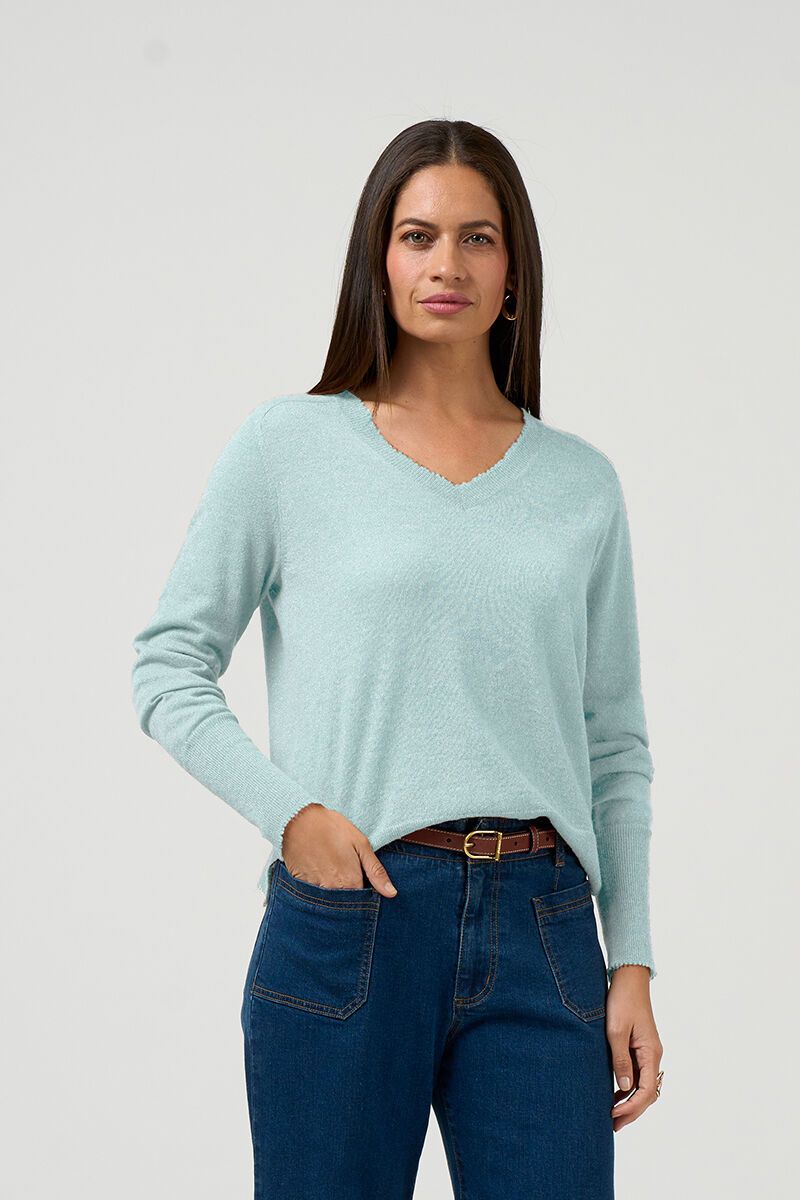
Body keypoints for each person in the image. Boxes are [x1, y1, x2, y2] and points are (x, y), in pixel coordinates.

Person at [131, 118, 664, 1199]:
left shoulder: (580, 485)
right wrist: (293, 817)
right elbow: (168, 665)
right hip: (353, 913)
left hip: (546, 928)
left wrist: (633, 962)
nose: (445, 264)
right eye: (417, 235)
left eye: (477, 238)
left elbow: (614, 746)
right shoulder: (289, 447)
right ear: (378, 259)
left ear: (513, 273)